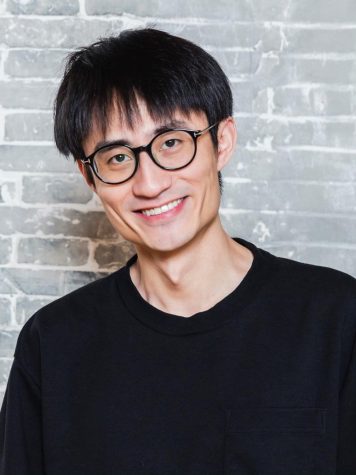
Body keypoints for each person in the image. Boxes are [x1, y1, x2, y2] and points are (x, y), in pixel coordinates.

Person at [0, 27, 355, 475]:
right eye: (117, 158)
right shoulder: (52, 344)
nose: (150, 184)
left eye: (171, 143)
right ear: (90, 178)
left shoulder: (335, 318)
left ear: (221, 142)